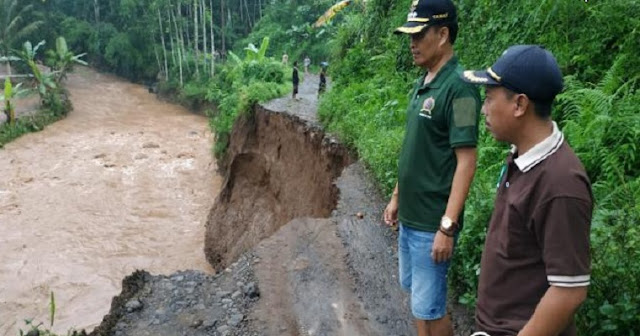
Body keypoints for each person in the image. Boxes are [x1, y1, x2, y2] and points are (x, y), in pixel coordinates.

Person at [461, 45, 593, 336]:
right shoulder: (523, 157)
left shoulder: (561, 184)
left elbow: (569, 291)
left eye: (489, 98)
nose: (483, 109)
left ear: (520, 105)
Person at [384, 0, 481, 335]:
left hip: (431, 223)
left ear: (442, 34)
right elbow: (415, 148)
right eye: (409, 35)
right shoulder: (424, 80)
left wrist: (447, 227)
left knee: (432, 308)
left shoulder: (462, 88)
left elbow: (467, 161)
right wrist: (397, 196)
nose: (412, 43)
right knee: (418, 301)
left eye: (418, 34)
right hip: (411, 217)